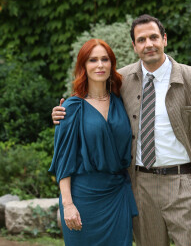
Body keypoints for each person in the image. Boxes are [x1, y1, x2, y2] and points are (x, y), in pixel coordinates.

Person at [52, 15, 191, 246]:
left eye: (153, 37)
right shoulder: (122, 81)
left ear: (164, 39)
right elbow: (90, 103)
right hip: (141, 187)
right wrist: (62, 113)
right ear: (134, 46)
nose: (148, 44)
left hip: (184, 184)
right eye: (141, 40)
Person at [49, 39, 138, 246]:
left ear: (111, 64)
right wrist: (68, 204)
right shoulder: (71, 108)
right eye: (93, 60)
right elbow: (64, 160)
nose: (100, 65)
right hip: (83, 199)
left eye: (105, 59)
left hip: (117, 195)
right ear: (83, 66)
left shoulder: (122, 100)